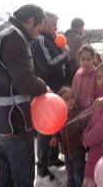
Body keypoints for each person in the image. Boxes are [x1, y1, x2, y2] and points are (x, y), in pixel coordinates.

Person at [0, 5, 47, 187]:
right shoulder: (14, 38)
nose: (38, 34)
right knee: (23, 178)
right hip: (13, 122)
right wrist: (43, 87)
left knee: (6, 174)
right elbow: (24, 81)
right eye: (39, 28)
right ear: (31, 21)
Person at [31, 11, 67, 180]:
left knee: (55, 124)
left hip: (54, 89)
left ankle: (52, 158)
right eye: (53, 24)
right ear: (44, 23)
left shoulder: (51, 39)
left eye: (56, 25)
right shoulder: (41, 39)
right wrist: (65, 54)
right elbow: (48, 65)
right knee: (45, 130)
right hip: (45, 91)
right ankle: (42, 166)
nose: (56, 28)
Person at [50, 86, 87, 187]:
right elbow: (57, 128)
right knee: (70, 174)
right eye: (66, 99)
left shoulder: (79, 114)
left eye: (72, 98)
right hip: (66, 153)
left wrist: (84, 122)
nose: (70, 101)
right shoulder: (61, 114)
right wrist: (55, 137)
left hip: (78, 153)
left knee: (78, 175)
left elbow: (85, 132)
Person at [72, 44, 97, 110]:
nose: (85, 62)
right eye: (83, 59)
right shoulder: (78, 73)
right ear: (79, 59)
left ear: (93, 59)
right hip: (78, 112)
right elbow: (73, 92)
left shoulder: (97, 75)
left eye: (88, 59)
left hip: (92, 113)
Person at [65, 17, 86, 85]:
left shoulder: (65, 37)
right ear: (79, 27)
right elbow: (83, 55)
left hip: (65, 69)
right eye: (82, 28)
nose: (83, 30)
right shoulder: (79, 39)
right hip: (76, 69)